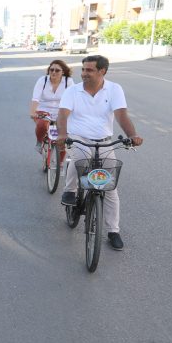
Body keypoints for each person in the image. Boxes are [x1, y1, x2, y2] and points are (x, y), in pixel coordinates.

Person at [56, 55, 143, 251]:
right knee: (78, 159)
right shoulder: (73, 91)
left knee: (110, 189)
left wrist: (133, 135)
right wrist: (62, 134)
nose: (84, 73)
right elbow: (63, 114)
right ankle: (70, 191)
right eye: (83, 69)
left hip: (104, 143)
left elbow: (121, 115)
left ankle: (113, 231)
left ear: (102, 71)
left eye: (89, 70)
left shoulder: (114, 89)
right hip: (79, 138)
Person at [30, 60, 75, 152]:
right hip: (43, 110)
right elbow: (35, 99)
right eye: (51, 70)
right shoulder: (43, 80)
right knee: (42, 125)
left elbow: (73, 99)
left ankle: (60, 164)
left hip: (61, 112)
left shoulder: (68, 81)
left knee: (63, 138)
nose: (54, 72)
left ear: (63, 72)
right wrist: (33, 112)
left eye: (57, 70)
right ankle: (39, 141)